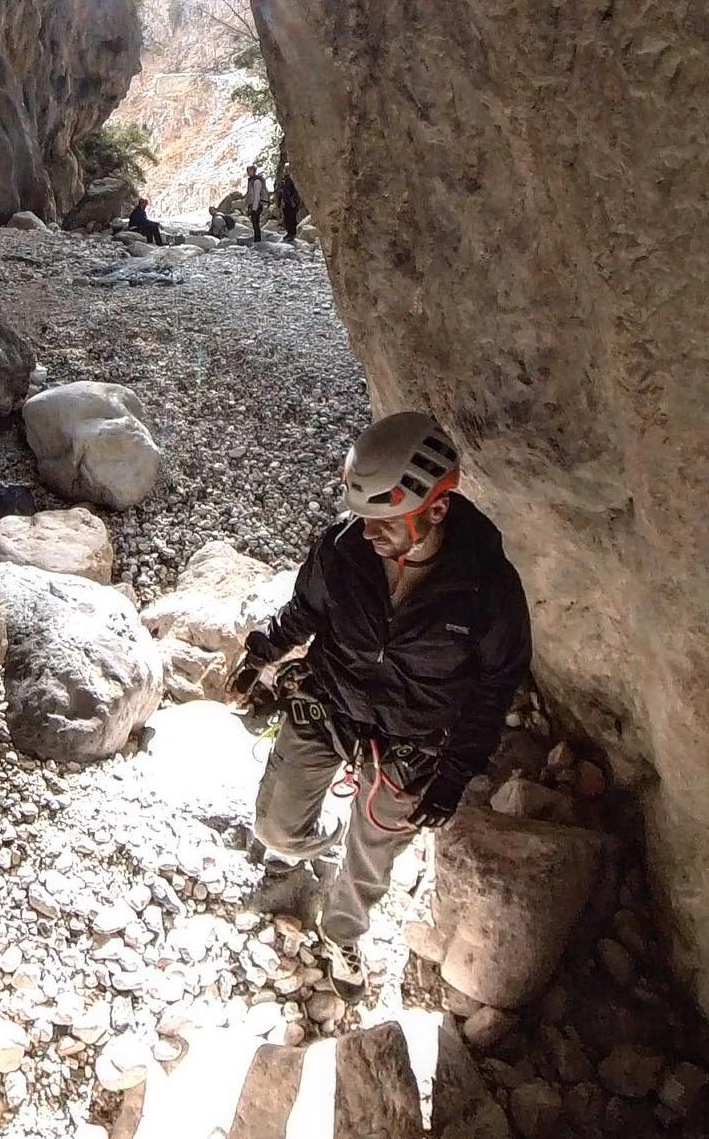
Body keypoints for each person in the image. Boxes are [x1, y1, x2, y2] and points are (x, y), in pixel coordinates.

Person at [228, 413, 531, 997]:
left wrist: (453, 776)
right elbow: (305, 610)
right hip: (331, 700)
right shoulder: (342, 550)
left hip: (415, 739)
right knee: (275, 827)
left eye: (385, 521)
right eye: (363, 517)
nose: (368, 533)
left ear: (436, 511)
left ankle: (342, 930)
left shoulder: (488, 589)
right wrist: (261, 653)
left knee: (371, 860)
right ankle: (307, 848)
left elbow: (494, 688)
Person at [245, 165, 268, 242]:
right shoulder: (252, 180)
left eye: (249, 171)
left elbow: (256, 196)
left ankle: (257, 239)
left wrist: (254, 208)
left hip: (257, 205)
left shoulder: (256, 181)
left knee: (255, 222)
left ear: (254, 171)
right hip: (254, 205)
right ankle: (257, 238)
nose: (248, 172)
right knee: (254, 222)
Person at [278, 166, 302, 241]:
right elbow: (282, 191)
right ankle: (289, 232)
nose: (286, 171)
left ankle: (292, 233)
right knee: (286, 218)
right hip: (285, 202)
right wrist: (280, 201)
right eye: (285, 169)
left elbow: (294, 191)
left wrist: (294, 201)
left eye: (287, 169)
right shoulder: (284, 180)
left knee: (291, 218)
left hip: (291, 202)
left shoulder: (293, 179)